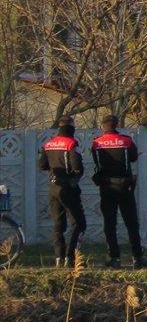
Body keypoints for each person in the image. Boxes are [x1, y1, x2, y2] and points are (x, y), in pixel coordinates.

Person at [91, 115, 147, 268]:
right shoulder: (126, 141)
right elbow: (134, 157)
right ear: (116, 125)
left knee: (110, 223)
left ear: (103, 126)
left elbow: (96, 163)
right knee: (131, 222)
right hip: (125, 186)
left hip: (107, 186)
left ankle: (113, 258)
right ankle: (137, 257)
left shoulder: (97, 143)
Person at [37, 115, 86, 268]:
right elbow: (77, 166)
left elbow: (41, 165)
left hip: (53, 187)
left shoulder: (48, 144)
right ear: (71, 127)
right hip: (68, 188)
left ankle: (59, 257)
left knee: (58, 224)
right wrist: (75, 176)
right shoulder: (71, 143)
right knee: (78, 223)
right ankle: (70, 258)